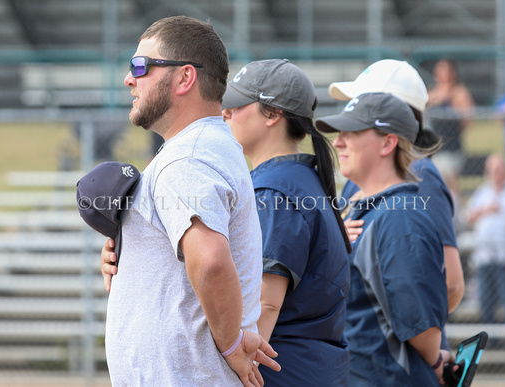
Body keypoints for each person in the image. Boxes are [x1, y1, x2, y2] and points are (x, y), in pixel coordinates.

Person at [101, 16, 280, 386]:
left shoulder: (189, 158)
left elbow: (211, 262)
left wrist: (231, 347)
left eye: (141, 66)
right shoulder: (200, 149)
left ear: (185, 78)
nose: (129, 78)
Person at [221, 59, 351, 386]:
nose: (225, 113)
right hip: (305, 367)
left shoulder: (275, 190)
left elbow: (264, 303)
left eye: (236, 105)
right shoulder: (299, 178)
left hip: (279, 370)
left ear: (273, 114)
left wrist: (240, 368)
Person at [316, 92, 449, 386]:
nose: (338, 142)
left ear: (388, 143)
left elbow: (420, 328)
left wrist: (437, 361)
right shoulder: (373, 209)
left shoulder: (400, 217)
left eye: (351, 133)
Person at [328, 59, 465, 313]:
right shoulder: (359, 178)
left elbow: (451, 284)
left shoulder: (419, 173)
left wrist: (407, 340)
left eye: (359, 104)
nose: (349, 113)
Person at [465, 153, 505, 324]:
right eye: (490, 170)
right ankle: (490, 341)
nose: (493, 174)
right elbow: (468, 216)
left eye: (497, 170)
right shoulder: (483, 191)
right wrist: (485, 210)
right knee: (486, 301)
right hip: (485, 255)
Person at [426, 59, 474, 180]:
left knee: (450, 181)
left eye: (446, 70)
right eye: (440, 70)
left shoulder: (459, 92)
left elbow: (467, 119)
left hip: (451, 146)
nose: (444, 74)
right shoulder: (431, 93)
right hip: (433, 147)